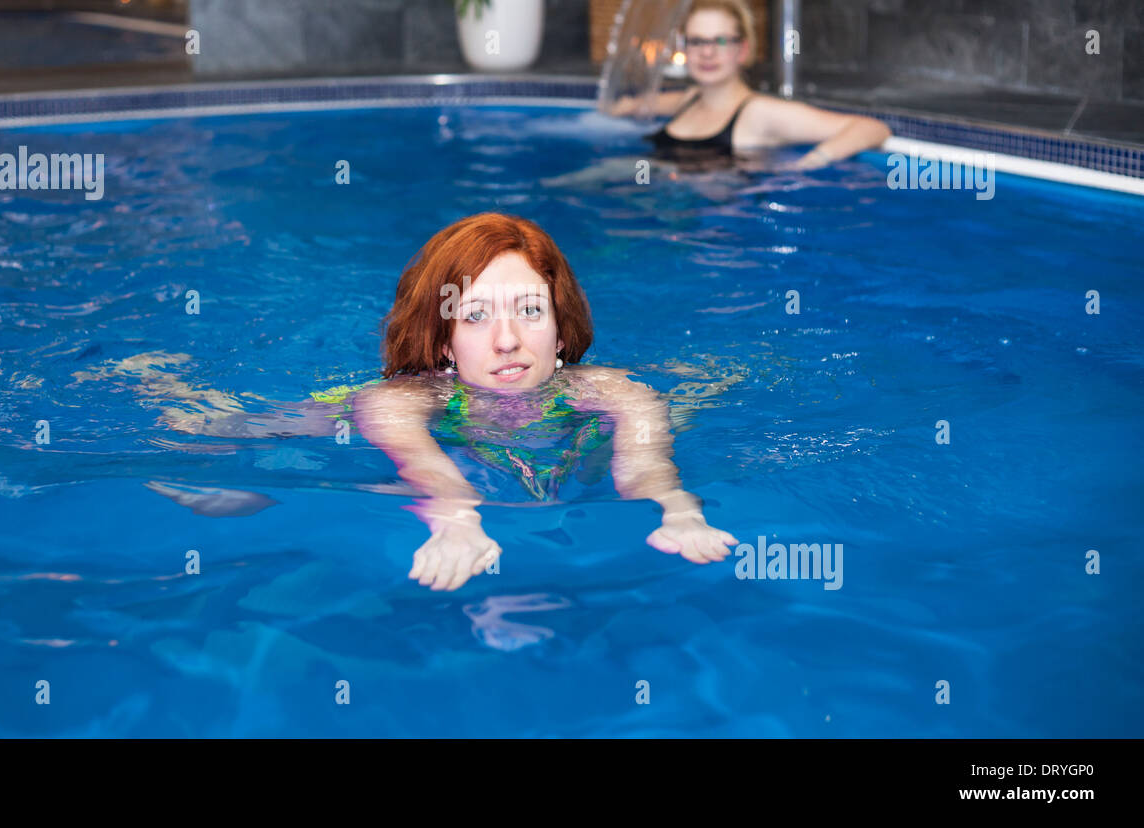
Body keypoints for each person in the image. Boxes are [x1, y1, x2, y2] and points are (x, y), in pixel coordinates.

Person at [125, 214, 739, 592]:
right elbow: (429, 472)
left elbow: (646, 466)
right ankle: (164, 381)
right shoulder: (399, 403)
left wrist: (679, 513)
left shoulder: (615, 393)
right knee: (232, 442)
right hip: (360, 414)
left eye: (530, 311)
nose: (507, 340)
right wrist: (457, 524)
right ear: (445, 340)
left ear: (559, 326)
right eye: (476, 318)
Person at [606, 0, 891, 169]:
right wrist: (616, 108)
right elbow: (633, 105)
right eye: (696, 41)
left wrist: (809, 163)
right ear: (685, 49)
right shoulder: (689, 99)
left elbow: (872, 128)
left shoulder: (758, 113)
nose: (707, 52)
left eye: (720, 41)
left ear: (742, 49)